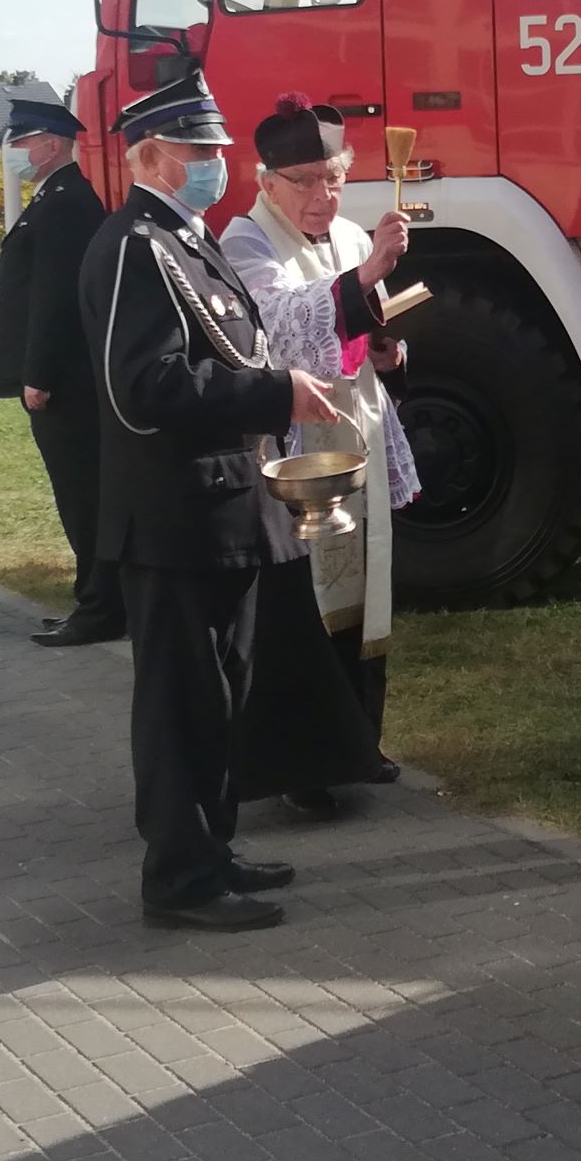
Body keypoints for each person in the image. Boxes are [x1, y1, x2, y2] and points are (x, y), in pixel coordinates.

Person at [77, 68, 367, 932]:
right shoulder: (135, 246)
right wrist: (275, 393)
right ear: (149, 157)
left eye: (215, 148)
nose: (214, 163)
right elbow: (143, 389)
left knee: (223, 699)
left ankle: (213, 846)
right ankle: (180, 877)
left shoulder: (185, 237)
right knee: (182, 708)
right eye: (196, 150)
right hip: (176, 520)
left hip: (225, 512)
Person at [222, 94, 419, 796]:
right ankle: (305, 765)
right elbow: (280, 324)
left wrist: (390, 352)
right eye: (304, 181)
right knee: (302, 603)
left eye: (333, 178)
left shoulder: (352, 238)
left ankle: (359, 743)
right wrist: (367, 279)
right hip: (295, 454)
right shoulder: (245, 241)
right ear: (267, 181)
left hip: (355, 436)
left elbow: (357, 336)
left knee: (364, 589)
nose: (322, 195)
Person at [0, 97, 122, 647]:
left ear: (52, 144)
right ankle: (95, 599)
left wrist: (40, 374)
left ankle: (102, 608)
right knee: (78, 493)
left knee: (83, 494)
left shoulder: (65, 203)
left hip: (68, 381)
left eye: (22, 141)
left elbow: (57, 299)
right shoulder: (55, 196)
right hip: (66, 376)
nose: (14, 151)